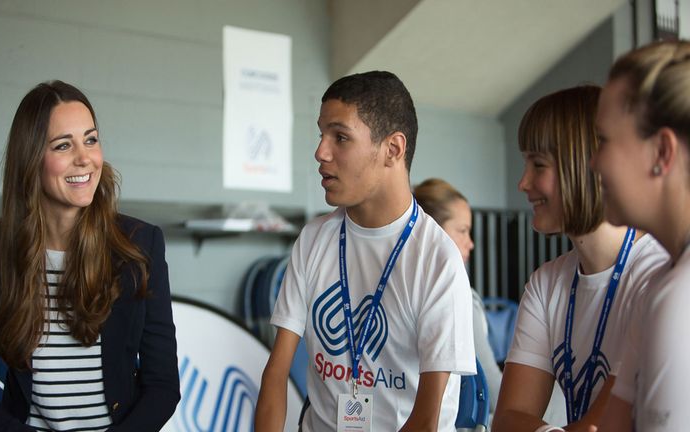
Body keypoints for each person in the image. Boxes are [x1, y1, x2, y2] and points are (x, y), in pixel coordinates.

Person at [255, 71, 475, 431]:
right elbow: (275, 374)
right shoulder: (314, 240)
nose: (320, 152)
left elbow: (426, 420)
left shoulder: (437, 259)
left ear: (393, 150)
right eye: (321, 134)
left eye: (340, 137)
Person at [0, 80, 180, 431]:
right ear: (32, 159)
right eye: (63, 145)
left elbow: (163, 386)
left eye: (91, 139)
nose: (85, 158)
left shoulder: (140, 245)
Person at [492, 86, 669, 432]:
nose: (523, 182)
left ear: (587, 165)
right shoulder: (546, 284)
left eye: (538, 164)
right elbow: (506, 420)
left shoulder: (656, 274)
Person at [590, 40, 690, 432]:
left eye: (603, 140)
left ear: (662, 152)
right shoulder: (660, 283)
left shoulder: (678, 296)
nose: (594, 161)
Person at [413, 178, 502, 415]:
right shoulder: (459, 297)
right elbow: (494, 395)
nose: (470, 243)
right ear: (434, 232)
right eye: (462, 231)